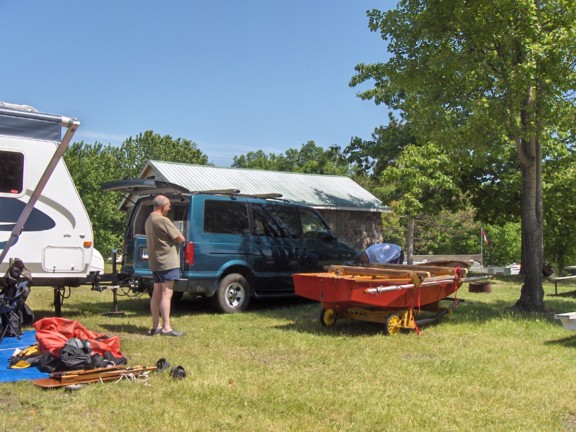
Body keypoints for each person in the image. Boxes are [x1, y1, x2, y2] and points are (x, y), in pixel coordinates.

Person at [145, 195, 186, 337]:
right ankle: (167, 327)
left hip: (156, 262)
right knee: (167, 294)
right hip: (167, 261)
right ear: (163, 206)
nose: (170, 207)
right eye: (168, 205)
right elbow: (180, 238)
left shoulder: (149, 219)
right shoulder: (163, 220)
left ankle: (156, 326)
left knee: (156, 293)